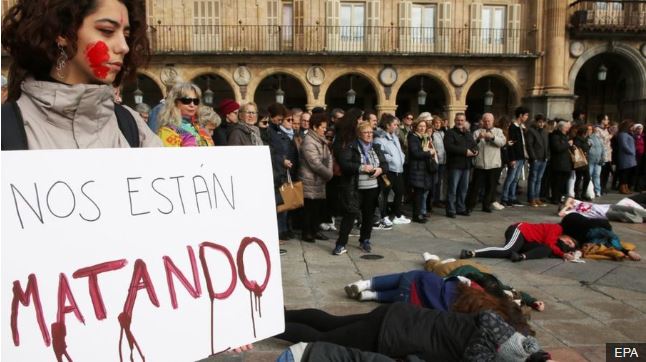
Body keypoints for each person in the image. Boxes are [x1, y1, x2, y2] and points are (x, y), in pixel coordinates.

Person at [1, 0, 161, 150]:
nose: (124, 47)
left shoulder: (133, 127)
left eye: (126, 36)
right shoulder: (7, 128)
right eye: (107, 31)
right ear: (62, 33)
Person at [276, 303, 548, 362]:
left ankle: (278, 312)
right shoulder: (483, 354)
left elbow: (528, 348)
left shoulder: (501, 328)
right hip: (393, 333)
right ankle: (265, 325)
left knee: (331, 322)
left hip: (399, 315)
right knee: (321, 339)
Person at [333, 121, 388, 255]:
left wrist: (380, 169)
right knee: (350, 215)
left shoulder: (376, 147)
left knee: (368, 216)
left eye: (371, 132)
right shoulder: (351, 147)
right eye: (366, 132)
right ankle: (340, 244)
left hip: (373, 187)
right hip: (355, 188)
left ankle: (365, 240)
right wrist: (361, 167)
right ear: (359, 134)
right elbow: (345, 163)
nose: (369, 135)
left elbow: (385, 164)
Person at [460, 221, 578, 262]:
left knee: (546, 250)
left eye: (568, 246)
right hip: (520, 230)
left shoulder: (555, 242)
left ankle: (521, 257)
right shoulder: (557, 229)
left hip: (526, 241)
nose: (566, 244)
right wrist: (562, 254)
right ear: (567, 236)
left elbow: (548, 248)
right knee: (507, 250)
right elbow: (549, 243)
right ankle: (472, 252)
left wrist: (566, 254)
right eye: (568, 241)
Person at [298, 113, 333, 242]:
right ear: (315, 127)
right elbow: (315, 163)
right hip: (310, 179)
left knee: (317, 207)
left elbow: (329, 157)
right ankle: (307, 232)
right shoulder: (309, 141)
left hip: (320, 179)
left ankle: (315, 230)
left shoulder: (320, 139)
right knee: (310, 208)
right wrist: (329, 174)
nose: (325, 130)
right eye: (322, 127)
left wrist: (328, 170)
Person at [269, 104, 299, 241]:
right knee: (280, 203)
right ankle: (280, 230)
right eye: (288, 120)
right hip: (279, 173)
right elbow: (273, 151)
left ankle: (286, 228)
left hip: (288, 172)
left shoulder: (291, 135)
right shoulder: (273, 132)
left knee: (288, 203)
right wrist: (282, 160)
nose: (289, 123)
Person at [466, 113, 506, 213]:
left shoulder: (498, 131)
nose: (487, 123)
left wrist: (492, 137)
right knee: (475, 187)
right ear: (482, 121)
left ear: (493, 121)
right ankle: (470, 205)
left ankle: (486, 205)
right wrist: (479, 138)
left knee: (491, 187)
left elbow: (502, 143)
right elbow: (471, 145)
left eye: (489, 121)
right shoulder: (477, 132)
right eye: (485, 121)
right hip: (480, 164)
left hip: (494, 164)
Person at [374, 114, 409, 225]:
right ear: (387, 125)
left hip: (398, 170)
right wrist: (392, 159)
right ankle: (383, 216)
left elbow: (399, 150)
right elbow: (381, 155)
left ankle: (397, 214)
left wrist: (401, 158)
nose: (396, 127)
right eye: (394, 124)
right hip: (389, 171)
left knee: (400, 192)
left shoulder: (394, 136)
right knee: (384, 194)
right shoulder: (379, 139)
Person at [157, 82, 214, 147]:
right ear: (175, 102)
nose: (192, 105)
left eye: (196, 101)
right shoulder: (167, 130)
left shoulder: (199, 129)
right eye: (186, 101)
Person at [444, 113, 477, 218]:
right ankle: (450, 210)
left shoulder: (468, 133)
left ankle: (461, 208)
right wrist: (465, 152)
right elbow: (449, 147)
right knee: (452, 189)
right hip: (455, 165)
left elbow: (474, 145)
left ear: (465, 121)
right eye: (458, 120)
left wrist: (475, 151)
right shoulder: (450, 133)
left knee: (463, 189)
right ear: (454, 120)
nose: (460, 122)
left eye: (462, 120)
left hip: (466, 166)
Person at [407, 117, 436, 223]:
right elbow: (416, 153)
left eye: (424, 126)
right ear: (415, 127)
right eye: (420, 126)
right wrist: (429, 152)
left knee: (422, 192)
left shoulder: (425, 138)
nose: (422, 128)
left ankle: (420, 213)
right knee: (418, 193)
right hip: (417, 169)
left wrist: (428, 151)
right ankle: (416, 215)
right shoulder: (413, 137)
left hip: (424, 169)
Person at [501, 106, 530, 207]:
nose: (527, 117)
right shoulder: (513, 127)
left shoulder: (521, 127)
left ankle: (512, 197)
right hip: (515, 156)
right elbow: (511, 144)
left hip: (521, 156)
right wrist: (512, 158)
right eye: (526, 115)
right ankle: (504, 197)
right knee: (510, 177)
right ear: (520, 115)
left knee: (516, 178)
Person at [558, 196, 646, 223]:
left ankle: (644, 214)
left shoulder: (576, 203)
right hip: (604, 214)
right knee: (624, 215)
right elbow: (560, 214)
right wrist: (566, 207)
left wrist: (568, 203)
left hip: (607, 206)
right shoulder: (572, 211)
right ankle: (642, 219)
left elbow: (570, 197)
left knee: (630, 209)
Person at [525, 114, 550, 207]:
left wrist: (547, 156)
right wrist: (533, 157)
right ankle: (531, 198)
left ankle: (537, 197)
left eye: (543, 122)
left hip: (544, 158)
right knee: (533, 179)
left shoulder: (544, 131)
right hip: (536, 159)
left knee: (539, 179)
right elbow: (529, 145)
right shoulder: (531, 131)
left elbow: (547, 145)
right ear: (536, 122)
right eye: (540, 122)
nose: (541, 124)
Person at [549, 120, 574, 204]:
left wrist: (571, 146)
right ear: (561, 127)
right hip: (558, 162)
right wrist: (567, 144)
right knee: (557, 181)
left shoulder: (565, 136)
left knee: (563, 182)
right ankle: (555, 198)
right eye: (565, 127)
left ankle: (559, 197)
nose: (567, 128)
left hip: (566, 163)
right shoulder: (555, 136)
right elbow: (557, 148)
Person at [616, 120, 637, 194]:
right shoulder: (622, 134)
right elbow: (624, 145)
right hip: (625, 156)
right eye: (631, 126)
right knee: (624, 173)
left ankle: (626, 187)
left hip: (630, 157)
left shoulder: (628, 134)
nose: (632, 128)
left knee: (627, 173)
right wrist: (631, 151)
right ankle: (622, 188)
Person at [430, 116, 447, 208]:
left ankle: (437, 199)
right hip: (435, 161)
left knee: (439, 182)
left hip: (443, 161)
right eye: (436, 123)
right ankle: (432, 200)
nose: (438, 124)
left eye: (439, 123)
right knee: (434, 181)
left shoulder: (442, 133)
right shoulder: (431, 133)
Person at [595, 114, 613, 194]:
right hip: (602, 154)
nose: (608, 121)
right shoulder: (597, 129)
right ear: (602, 120)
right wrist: (610, 136)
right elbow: (600, 141)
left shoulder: (606, 129)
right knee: (601, 172)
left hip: (608, 154)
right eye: (606, 119)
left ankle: (604, 186)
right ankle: (600, 188)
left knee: (606, 171)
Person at [587, 123, 606, 198]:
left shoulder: (598, 138)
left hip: (598, 161)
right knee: (589, 175)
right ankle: (589, 191)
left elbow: (603, 148)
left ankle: (597, 191)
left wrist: (603, 157)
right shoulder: (588, 138)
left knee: (597, 176)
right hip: (590, 160)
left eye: (591, 129)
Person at [633, 123, 644, 192]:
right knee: (636, 171)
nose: (640, 130)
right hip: (636, 156)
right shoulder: (633, 137)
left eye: (641, 129)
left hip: (642, 156)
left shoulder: (643, 136)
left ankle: (639, 186)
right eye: (638, 129)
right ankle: (635, 186)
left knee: (641, 172)